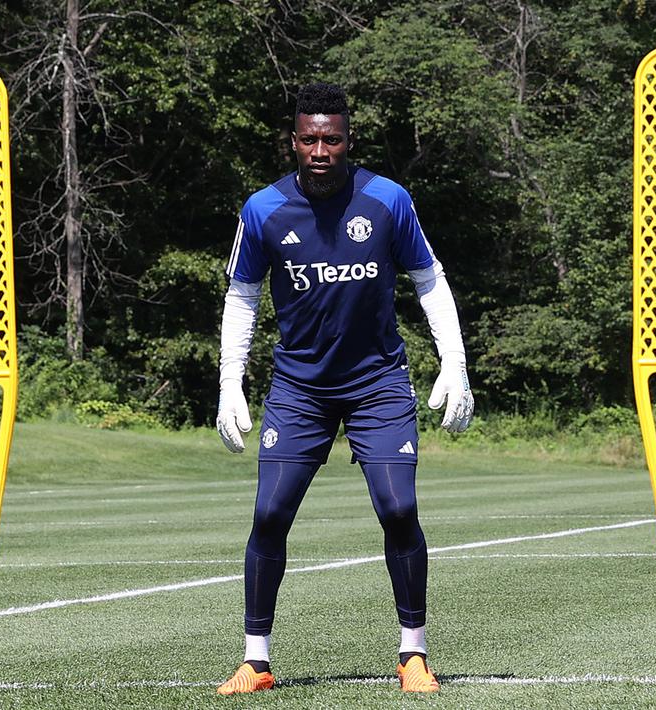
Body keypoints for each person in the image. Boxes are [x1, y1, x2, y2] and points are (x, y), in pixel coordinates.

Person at [214, 82, 473, 695]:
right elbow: (242, 297)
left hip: (377, 383)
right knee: (269, 513)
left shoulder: (388, 200)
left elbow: (429, 280)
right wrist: (230, 381)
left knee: (399, 509)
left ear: (347, 140)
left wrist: (455, 363)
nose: (321, 149)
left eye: (332, 138)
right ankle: (256, 661)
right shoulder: (262, 211)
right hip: (299, 388)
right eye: (309, 139)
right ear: (294, 140)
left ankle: (413, 652)